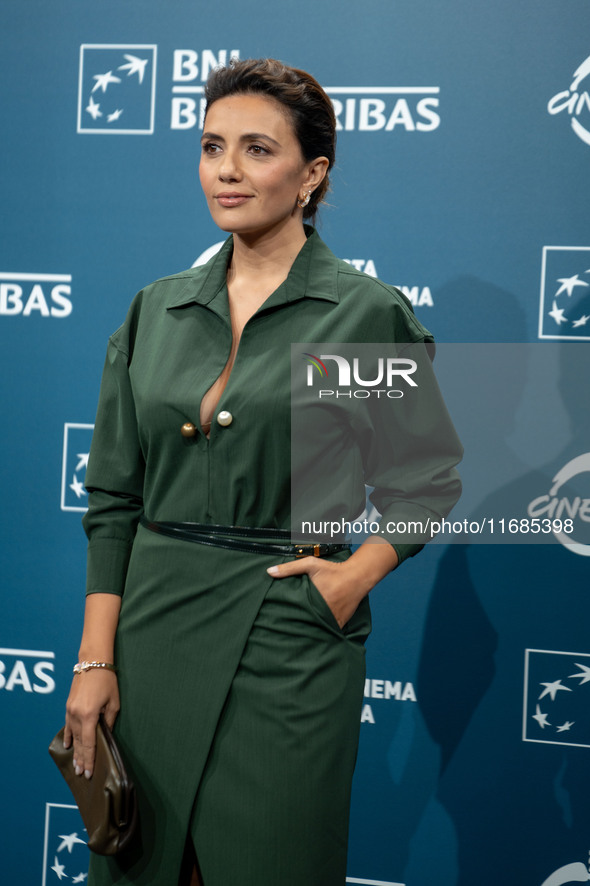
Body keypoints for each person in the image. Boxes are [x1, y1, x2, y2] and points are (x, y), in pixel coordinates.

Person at [64, 57, 462, 886]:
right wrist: (96, 663)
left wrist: (353, 577)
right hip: (152, 637)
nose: (228, 171)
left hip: (289, 639)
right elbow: (113, 504)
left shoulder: (359, 314)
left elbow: (424, 478)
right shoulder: (156, 308)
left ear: (311, 174)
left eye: (256, 149)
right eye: (212, 147)